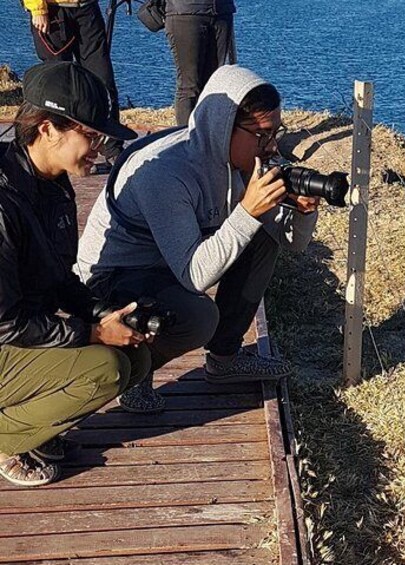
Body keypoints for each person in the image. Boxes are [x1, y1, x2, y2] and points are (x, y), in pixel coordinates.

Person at [76, 64, 319, 413]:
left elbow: (293, 243)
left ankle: (225, 359)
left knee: (263, 236)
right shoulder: (165, 172)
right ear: (223, 127)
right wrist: (247, 212)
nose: (271, 146)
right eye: (262, 135)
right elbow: (195, 276)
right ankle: (136, 371)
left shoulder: (243, 161)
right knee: (198, 317)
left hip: (171, 262)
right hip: (116, 275)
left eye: (276, 133)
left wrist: (303, 212)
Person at [0, 61, 151, 487]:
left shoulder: (53, 182)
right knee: (105, 368)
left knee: (134, 358)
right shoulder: (3, 204)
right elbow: (5, 324)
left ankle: (35, 429)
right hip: (6, 335)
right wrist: (91, 335)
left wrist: (105, 314)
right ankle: (9, 438)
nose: (99, 148)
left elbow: (60, 278)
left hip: (22, 334)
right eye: (91, 135)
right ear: (47, 129)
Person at [22, 0, 125, 158]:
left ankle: (112, 149)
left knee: (103, 80)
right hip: (53, 13)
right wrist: (37, 8)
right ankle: (58, 149)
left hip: (88, 10)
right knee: (58, 88)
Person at [165, 0, 237, 126]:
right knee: (189, 86)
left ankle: (208, 137)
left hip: (222, 12)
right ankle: (186, 138)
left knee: (213, 83)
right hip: (186, 13)